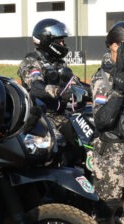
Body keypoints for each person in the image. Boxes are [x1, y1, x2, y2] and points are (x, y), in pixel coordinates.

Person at [90, 21, 124, 223]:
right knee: (108, 209)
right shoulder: (102, 78)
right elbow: (102, 120)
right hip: (112, 154)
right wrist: (118, 90)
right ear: (115, 46)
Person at [17, 18, 82, 165]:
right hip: (42, 117)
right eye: (60, 41)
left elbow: (76, 83)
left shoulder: (59, 63)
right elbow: (36, 87)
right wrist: (58, 91)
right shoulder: (31, 62)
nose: (63, 45)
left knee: (84, 139)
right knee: (60, 145)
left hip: (62, 114)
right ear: (47, 41)